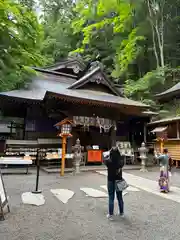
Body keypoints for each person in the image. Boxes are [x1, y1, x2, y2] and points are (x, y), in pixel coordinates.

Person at [104, 145, 125, 220]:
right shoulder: (121, 158)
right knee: (120, 197)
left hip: (110, 179)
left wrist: (109, 152)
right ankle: (121, 213)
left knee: (111, 197)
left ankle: (111, 215)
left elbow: (105, 162)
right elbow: (122, 164)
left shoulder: (108, 158)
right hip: (119, 179)